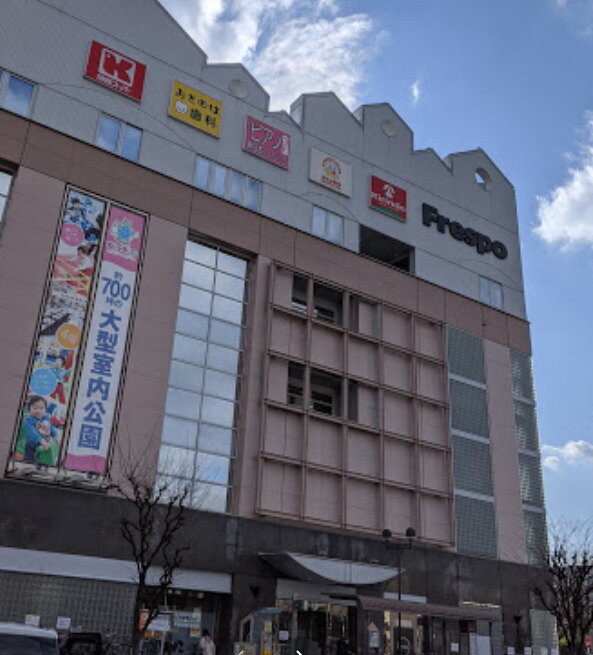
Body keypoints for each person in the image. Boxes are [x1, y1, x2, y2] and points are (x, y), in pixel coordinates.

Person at [23, 395, 56, 463]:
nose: (38, 411)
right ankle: (28, 461)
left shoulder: (45, 418)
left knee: (51, 446)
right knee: (29, 447)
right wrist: (42, 441)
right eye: (35, 408)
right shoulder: (29, 421)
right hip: (33, 442)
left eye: (41, 408)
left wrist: (56, 437)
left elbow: (51, 427)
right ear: (29, 409)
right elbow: (33, 433)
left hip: (46, 440)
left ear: (45, 410)